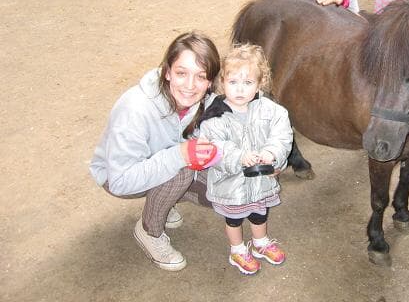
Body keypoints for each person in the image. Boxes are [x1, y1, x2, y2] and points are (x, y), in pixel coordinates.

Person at [89, 31, 222, 271]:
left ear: (210, 81)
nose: (190, 86)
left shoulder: (206, 101)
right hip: (118, 175)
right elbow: (120, 181)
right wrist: (180, 154)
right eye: (181, 73)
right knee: (182, 170)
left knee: (225, 192)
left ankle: (163, 201)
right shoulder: (135, 108)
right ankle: (149, 230)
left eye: (201, 76)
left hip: (164, 159)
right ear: (167, 72)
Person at [199, 44, 293, 275]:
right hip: (230, 184)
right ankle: (237, 249)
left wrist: (272, 153)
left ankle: (261, 243)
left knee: (259, 212)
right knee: (234, 218)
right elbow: (214, 146)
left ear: (259, 84)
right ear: (222, 82)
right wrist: (240, 156)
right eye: (233, 82)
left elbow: (282, 135)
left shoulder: (272, 110)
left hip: (261, 181)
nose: (240, 89)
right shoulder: (215, 114)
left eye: (248, 82)